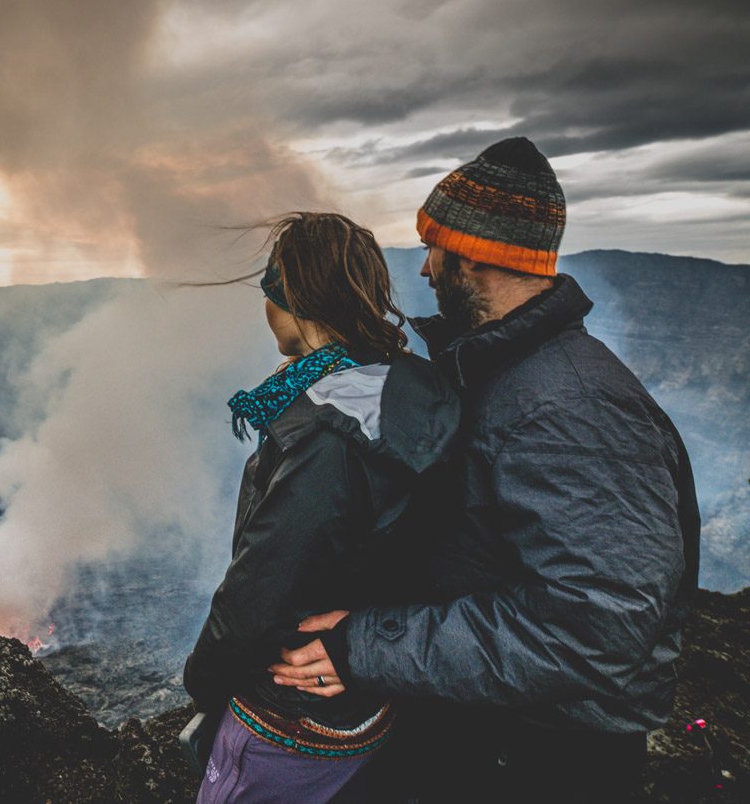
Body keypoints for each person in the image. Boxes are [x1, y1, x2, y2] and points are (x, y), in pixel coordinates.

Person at [269, 138, 700, 802]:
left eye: (434, 249)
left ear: (473, 256)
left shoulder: (572, 407)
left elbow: (594, 624)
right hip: (491, 720)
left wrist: (369, 647)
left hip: (543, 753)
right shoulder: (503, 372)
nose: (425, 270)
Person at [183, 212, 461, 803]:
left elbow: (263, 586)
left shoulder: (325, 434)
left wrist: (203, 682)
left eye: (270, 292)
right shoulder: (414, 387)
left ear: (296, 302)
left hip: (289, 717)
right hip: (369, 694)